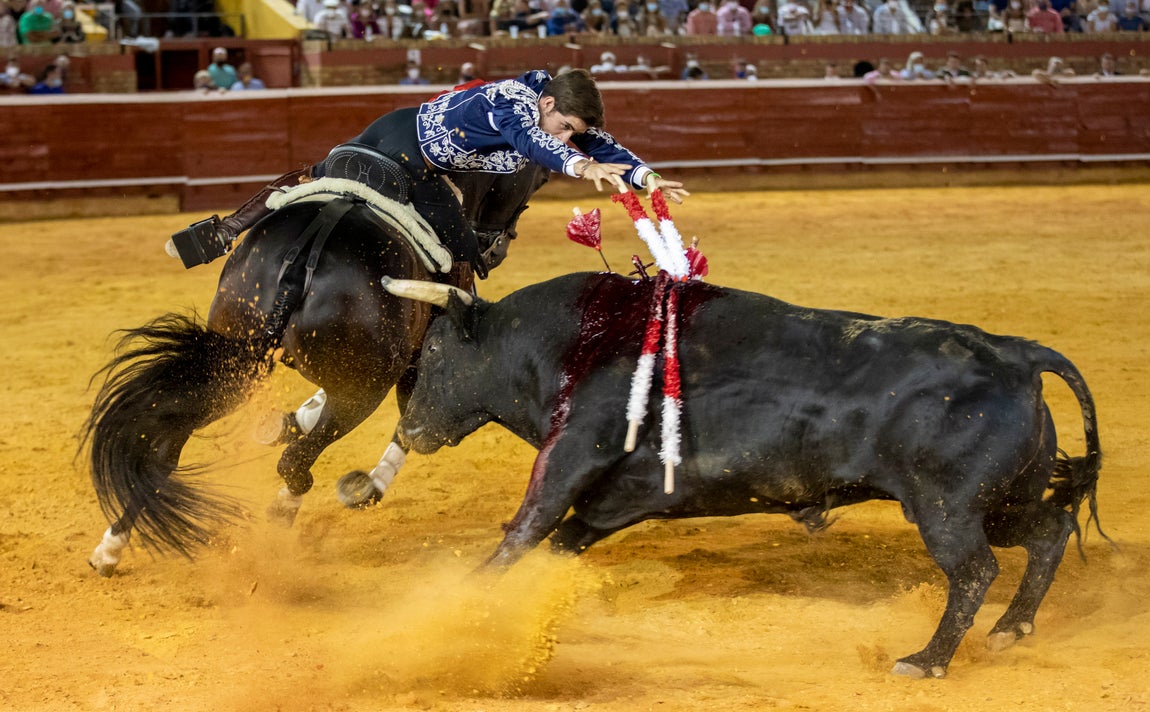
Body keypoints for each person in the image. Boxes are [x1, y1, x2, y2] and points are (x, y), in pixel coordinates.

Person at [173, 69, 689, 280]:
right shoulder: (512, 101)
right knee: (327, 176)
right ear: (547, 102)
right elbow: (533, 142)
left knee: (463, 255)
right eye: (564, 126)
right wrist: (580, 165)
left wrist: (646, 178)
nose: (564, 137)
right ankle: (219, 233)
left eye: (571, 133)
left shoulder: (554, 113)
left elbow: (596, 142)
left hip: (417, 153)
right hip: (405, 147)